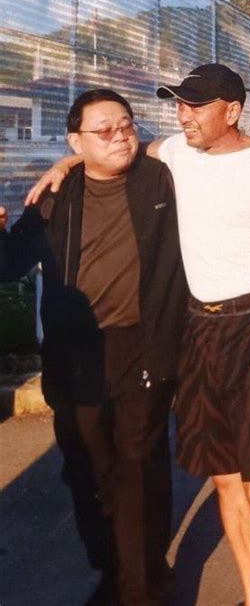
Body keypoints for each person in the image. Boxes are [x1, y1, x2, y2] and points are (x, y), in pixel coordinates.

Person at [25, 64, 250, 605]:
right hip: (197, 331)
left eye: (197, 105)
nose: (184, 115)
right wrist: (67, 161)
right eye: (179, 104)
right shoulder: (177, 154)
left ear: (232, 111)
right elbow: (112, 147)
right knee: (226, 482)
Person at [0, 89, 188, 606]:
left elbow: (205, 147)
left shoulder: (161, 180)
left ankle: (141, 587)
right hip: (75, 353)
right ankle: (117, 570)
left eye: (126, 125)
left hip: (141, 344)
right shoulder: (56, 195)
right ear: (75, 141)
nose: (119, 137)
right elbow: (10, 264)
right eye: (103, 130)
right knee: (89, 468)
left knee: (138, 465)